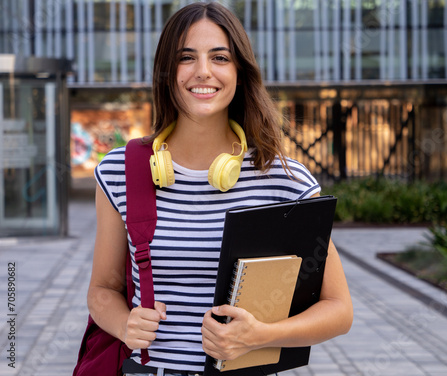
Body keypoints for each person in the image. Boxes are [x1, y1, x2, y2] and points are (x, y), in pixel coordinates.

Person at [87, 2, 353, 376]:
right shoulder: (121, 172)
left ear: (240, 73)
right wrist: (123, 325)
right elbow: (102, 290)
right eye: (186, 57)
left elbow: (339, 310)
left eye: (220, 57)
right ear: (166, 73)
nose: (203, 72)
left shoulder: (284, 180)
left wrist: (261, 335)